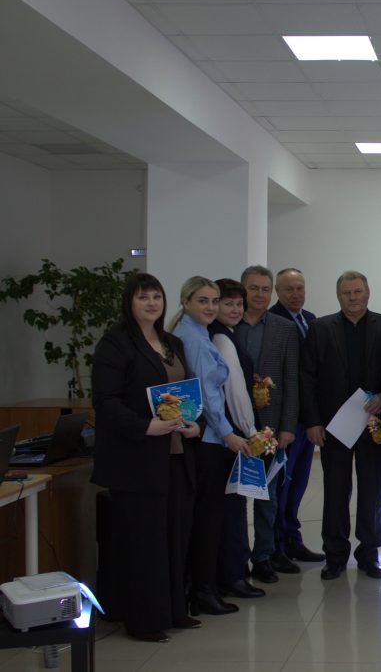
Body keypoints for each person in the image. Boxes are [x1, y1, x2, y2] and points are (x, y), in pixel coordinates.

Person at [91, 273, 201, 642]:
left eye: (156, 296)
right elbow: (105, 403)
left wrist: (193, 422)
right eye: (143, 297)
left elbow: (183, 393)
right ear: (129, 302)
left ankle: (173, 609)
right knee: (143, 541)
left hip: (175, 453)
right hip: (136, 458)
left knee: (174, 534)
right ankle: (143, 619)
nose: (152, 303)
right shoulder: (115, 344)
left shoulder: (171, 342)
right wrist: (144, 427)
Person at [301, 271, 381, 580]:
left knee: (372, 491)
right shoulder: (320, 328)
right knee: (335, 491)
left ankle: (369, 554)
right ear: (338, 295)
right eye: (346, 293)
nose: (353, 297)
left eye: (357, 291)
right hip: (333, 426)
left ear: (367, 293)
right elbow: (308, 378)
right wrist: (313, 421)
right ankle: (335, 556)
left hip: (373, 424)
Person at [170, 277, 250, 617]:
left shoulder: (198, 333)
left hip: (207, 435)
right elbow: (208, 394)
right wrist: (229, 433)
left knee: (209, 517)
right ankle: (203, 590)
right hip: (208, 440)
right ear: (186, 301)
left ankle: (205, 586)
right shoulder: (193, 338)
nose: (211, 307)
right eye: (203, 300)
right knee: (207, 518)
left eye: (214, 301)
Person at [236, 265, 301, 583]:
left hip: (271, 426)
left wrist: (288, 426)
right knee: (234, 496)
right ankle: (235, 558)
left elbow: (291, 379)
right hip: (234, 425)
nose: (260, 294)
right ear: (243, 290)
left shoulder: (284, 328)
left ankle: (263, 556)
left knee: (268, 495)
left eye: (265, 289)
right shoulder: (227, 324)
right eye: (254, 288)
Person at [209, 278, 265, 601]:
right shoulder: (221, 339)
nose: (234, 309)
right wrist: (251, 431)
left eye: (238, 304)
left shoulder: (224, 334)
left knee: (230, 508)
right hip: (230, 436)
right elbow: (234, 391)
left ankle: (231, 572)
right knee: (231, 509)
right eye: (227, 303)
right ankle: (233, 576)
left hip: (227, 434)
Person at [269, 267, 324, 564]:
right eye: (288, 289)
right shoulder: (272, 322)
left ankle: (292, 537)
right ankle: (276, 545)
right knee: (282, 484)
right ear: (277, 292)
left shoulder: (311, 320)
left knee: (299, 483)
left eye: (299, 288)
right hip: (286, 422)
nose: (295, 294)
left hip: (307, 420)